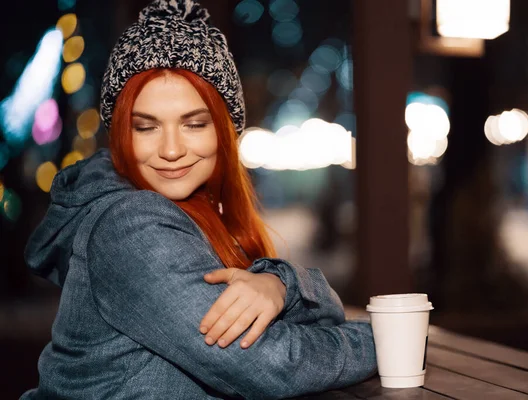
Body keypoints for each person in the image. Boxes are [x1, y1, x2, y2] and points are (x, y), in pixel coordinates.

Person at [21, 1, 377, 399]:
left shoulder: (200, 213)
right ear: (121, 133)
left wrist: (281, 285)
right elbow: (270, 365)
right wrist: (385, 340)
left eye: (193, 124)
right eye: (146, 126)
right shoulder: (130, 222)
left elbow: (312, 327)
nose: (171, 149)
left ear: (224, 130)